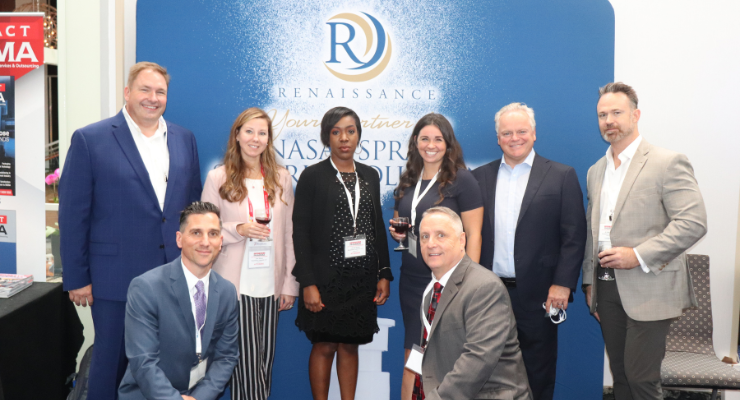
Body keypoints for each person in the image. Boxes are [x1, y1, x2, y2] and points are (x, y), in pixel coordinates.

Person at [59, 61, 202, 398]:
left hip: (172, 276)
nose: (153, 98)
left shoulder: (184, 139)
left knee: (167, 366)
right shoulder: (90, 139)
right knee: (111, 365)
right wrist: (77, 277)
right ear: (127, 92)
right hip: (114, 279)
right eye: (145, 89)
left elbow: (193, 209)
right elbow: (73, 214)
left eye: (160, 92)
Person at [582, 82, 707, 400]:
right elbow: (592, 231)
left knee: (641, 379)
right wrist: (589, 283)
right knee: (622, 377)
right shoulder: (596, 171)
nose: (609, 121)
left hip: (650, 285)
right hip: (606, 287)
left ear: (635, 115)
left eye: (616, 112)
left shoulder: (667, 162)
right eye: (602, 115)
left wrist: (637, 255)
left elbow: (693, 223)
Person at [470, 102, 586, 400]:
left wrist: (562, 284)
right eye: (506, 133)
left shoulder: (561, 175)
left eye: (521, 131)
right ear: (498, 138)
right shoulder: (478, 177)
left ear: (534, 134)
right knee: (486, 371)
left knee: (538, 372)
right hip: (489, 294)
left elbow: (574, 236)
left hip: (541, 295)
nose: (514, 138)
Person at [292, 106, 393, 400]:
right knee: (324, 345)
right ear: (327, 137)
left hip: (361, 280)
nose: (344, 138)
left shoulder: (370, 175)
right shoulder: (312, 176)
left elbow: (376, 226)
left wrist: (384, 273)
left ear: (358, 135)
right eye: (336, 132)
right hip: (325, 280)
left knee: (350, 345)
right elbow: (300, 232)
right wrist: (308, 283)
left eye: (350, 131)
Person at [201, 107, 298, 400]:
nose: (255, 138)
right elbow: (205, 231)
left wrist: (289, 284)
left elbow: (289, 234)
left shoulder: (281, 178)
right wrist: (238, 229)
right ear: (237, 135)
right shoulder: (218, 177)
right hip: (234, 286)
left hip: (270, 284)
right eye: (249, 131)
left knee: (263, 364)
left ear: (268, 139)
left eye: (262, 133)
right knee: (245, 364)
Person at [389, 113, 484, 399]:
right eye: (425, 139)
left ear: (448, 143)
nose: (431, 145)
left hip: (449, 283)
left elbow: (474, 234)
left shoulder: (463, 180)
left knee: (447, 357)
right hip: (413, 282)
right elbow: (405, 225)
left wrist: (468, 283)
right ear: (415, 142)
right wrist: (400, 235)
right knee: (412, 355)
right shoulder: (408, 180)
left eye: (438, 139)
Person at [118, 201, 239, 400]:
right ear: (179, 239)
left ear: (220, 241)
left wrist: (200, 397)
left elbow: (226, 357)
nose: (205, 242)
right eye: (196, 233)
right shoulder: (146, 288)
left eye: (213, 234)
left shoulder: (227, 292)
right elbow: (143, 362)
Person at [412, 206, 531, 400]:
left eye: (441, 235)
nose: (431, 243)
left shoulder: (484, 287)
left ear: (462, 241)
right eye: (425, 237)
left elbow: (477, 360)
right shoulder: (431, 290)